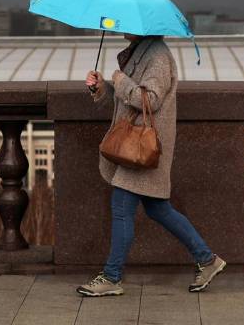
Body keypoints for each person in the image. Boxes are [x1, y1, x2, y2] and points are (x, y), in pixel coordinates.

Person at [75, 33, 225, 297]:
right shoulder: (141, 51)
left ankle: (111, 276)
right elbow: (129, 101)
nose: (122, 27)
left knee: (122, 206)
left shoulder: (157, 57)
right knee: (159, 209)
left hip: (143, 148)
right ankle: (208, 259)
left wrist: (119, 80)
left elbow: (150, 100)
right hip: (137, 145)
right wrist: (103, 88)